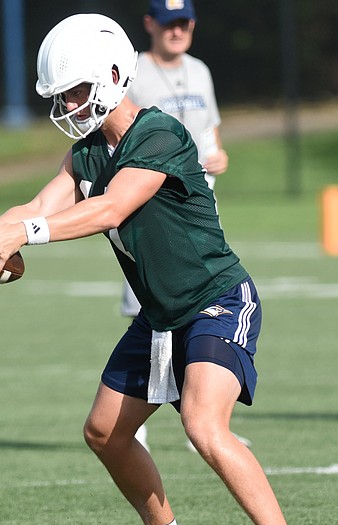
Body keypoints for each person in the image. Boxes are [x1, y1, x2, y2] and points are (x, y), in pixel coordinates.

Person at [0, 14, 313, 525]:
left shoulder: (159, 134)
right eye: (60, 94)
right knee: (104, 432)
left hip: (215, 298)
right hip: (160, 314)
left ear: (114, 76)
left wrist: (26, 234)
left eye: (76, 90)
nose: (67, 103)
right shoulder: (87, 151)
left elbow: (111, 209)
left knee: (202, 423)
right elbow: (39, 203)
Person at [124, 0, 239, 452]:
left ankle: (203, 421)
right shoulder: (131, 70)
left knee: (201, 305)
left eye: (185, 23)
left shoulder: (201, 70)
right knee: (146, 307)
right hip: (150, 210)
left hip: (198, 208)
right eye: (169, 23)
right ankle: (135, 422)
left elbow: (211, 131)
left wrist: (220, 155)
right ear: (150, 23)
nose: (178, 31)